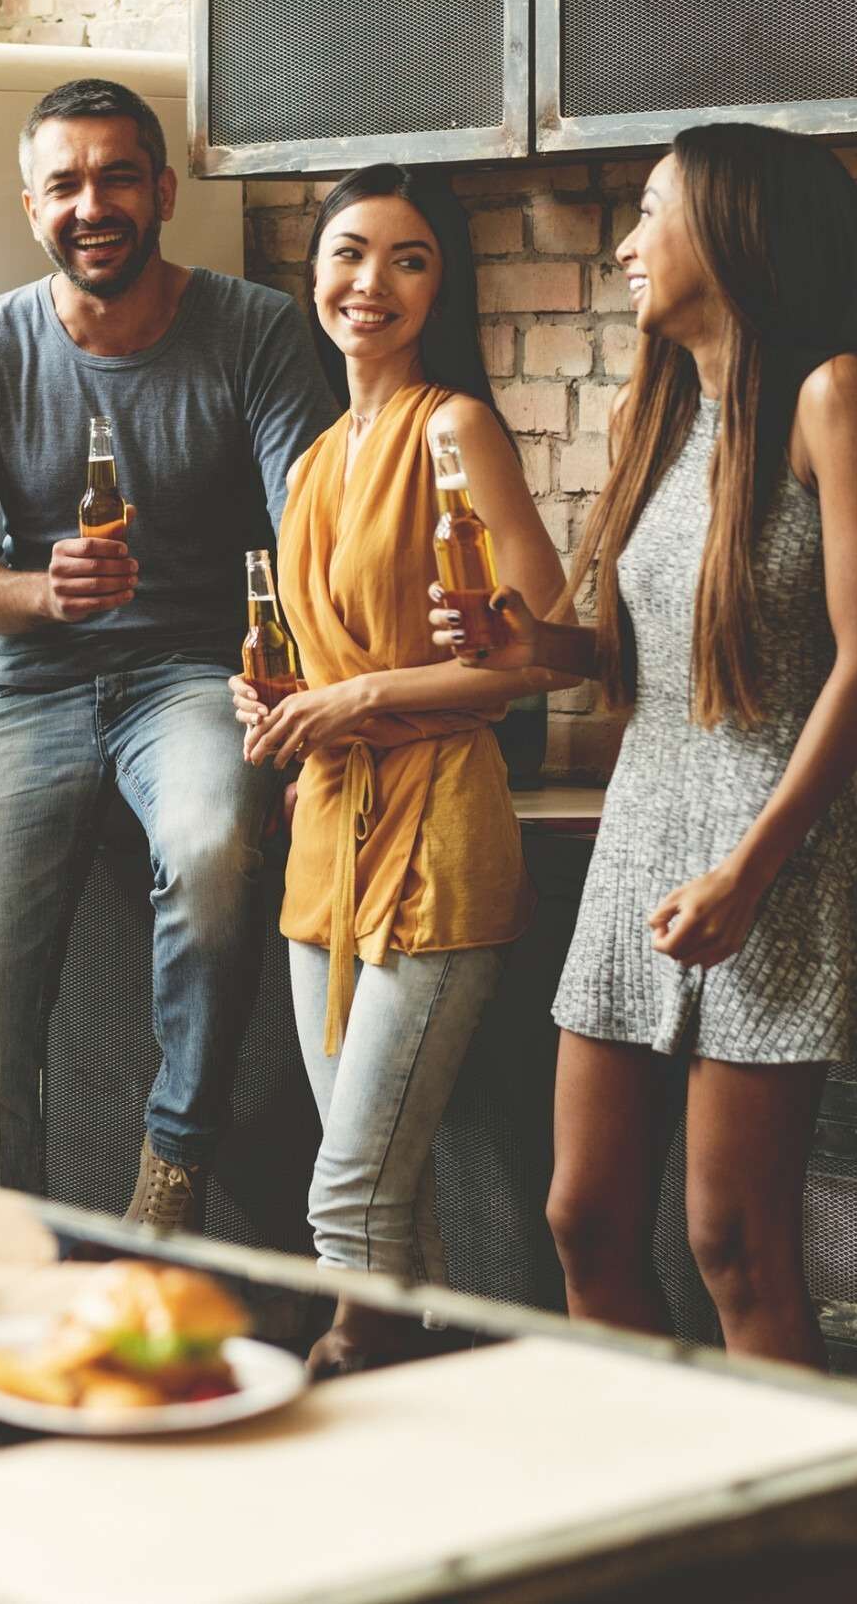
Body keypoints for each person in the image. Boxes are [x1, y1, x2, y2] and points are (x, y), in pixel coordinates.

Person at [436, 123, 857, 1366]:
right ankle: (659, 1526)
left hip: (772, 856)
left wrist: (748, 875)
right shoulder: (660, 415)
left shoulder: (833, 394)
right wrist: (530, 645)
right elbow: (645, 660)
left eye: (652, 212)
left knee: (732, 1244)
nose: (627, 245)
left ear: (736, 227)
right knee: (582, 1220)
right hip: (641, 835)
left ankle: (798, 1556)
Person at [0, 78, 331, 1229]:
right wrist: (41, 591)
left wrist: (317, 713)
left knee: (209, 852)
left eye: (113, 177)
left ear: (161, 189)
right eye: (64, 184)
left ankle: (173, 1157)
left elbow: (310, 535)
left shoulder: (253, 329)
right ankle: (2, 1274)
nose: (89, 203)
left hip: (196, 678)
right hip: (34, 690)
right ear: (31, 205)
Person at [230, 165, 565, 1375]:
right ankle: (419, 1444)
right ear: (314, 276)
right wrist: (277, 698)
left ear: (443, 287)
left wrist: (361, 695)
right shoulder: (319, 455)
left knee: (346, 1194)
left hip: (437, 833)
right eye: (349, 254)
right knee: (384, 1200)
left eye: (408, 259)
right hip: (323, 840)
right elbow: (318, 652)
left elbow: (533, 653)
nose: (370, 282)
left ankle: (353, 1390)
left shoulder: (452, 425)